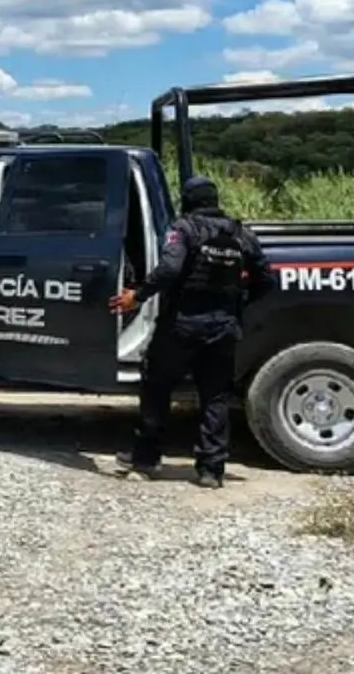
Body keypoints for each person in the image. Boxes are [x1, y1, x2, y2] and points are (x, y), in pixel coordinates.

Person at [108, 175, 274, 488]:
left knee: (157, 388)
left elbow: (170, 269)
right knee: (215, 397)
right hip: (223, 328)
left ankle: (146, 460)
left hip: (182, 325)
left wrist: (138, 296)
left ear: (188, 200)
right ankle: (211, 469)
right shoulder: (241, 233)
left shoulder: (184, 229)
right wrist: (236, 305)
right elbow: (265, 279)